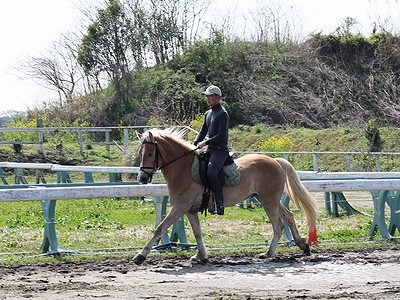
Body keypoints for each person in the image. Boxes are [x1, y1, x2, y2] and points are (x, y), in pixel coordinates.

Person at [193, 85, 229, 215]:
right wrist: (195, 143)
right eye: (206, 96)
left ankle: (219, 203)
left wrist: (205, 142)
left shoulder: (222, 113)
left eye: (209, 96)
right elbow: (203, 131)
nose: (207, 98)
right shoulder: (208, 113)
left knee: (212, 173)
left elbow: (221, 135)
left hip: (220, 150)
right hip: (210, 149)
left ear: (217, 97)